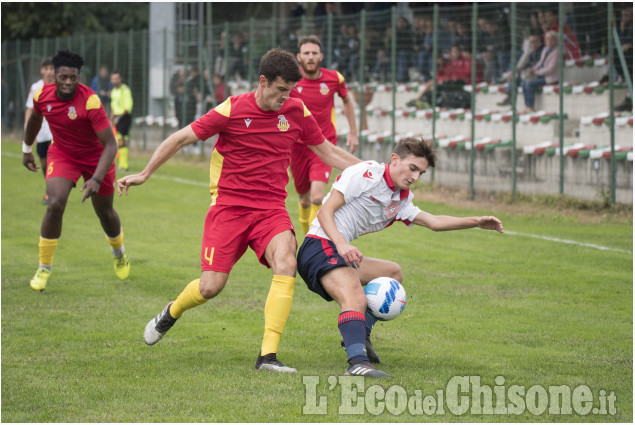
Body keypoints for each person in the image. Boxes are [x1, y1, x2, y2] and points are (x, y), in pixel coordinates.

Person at [117, 48, 361, 373]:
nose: (286, 97)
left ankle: (267, 356)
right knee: (210, 288)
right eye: (280, 90)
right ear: (263, 81)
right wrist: (145, 173)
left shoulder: (296, 111)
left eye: (290, 90)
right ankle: (171, 311)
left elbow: (327, 151)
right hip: (229, 209)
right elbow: (180, 138)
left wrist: (376, 172)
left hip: (271, 210)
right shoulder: (231, 108)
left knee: (287, 260)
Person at [297, 137, 504, 377]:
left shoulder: (401, 199)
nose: (415, 177)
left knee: (393, 273)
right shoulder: (366, 173)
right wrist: (342, 245)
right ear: (395, 160)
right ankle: (357, 363)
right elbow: (325, 212)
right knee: (355, 297)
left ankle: (359, 334)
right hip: (319, 246)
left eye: (421, 173)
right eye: (413, 168)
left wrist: (476, 222)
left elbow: (434, 222)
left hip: (336, 250)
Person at [22, 49, 130, 292]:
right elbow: (35, 121)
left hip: (96, 158)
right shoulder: (42, 95)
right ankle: (44, 267)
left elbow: (111, 145)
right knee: (55, 203)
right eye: (63, 77)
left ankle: (119, 253)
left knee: (105, 213)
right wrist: (26, 148)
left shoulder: (90, 101)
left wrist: (96, 178)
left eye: (73, 77)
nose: (69, 82)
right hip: (63, 154)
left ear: (79, 76)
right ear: (55, 76)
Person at [290, 35, 359, 235]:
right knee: (304, 199)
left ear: (321, 56)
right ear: (299, 57)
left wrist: (353, 132)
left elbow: (347, 101)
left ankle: (314, 240)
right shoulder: (292, 81)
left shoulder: (334, 78)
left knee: (317, 197)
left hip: (324, 145)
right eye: (306, 53)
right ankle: (307, 236)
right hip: (298, 147)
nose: (310, 57)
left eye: (314, 53)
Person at [25, 56, 55, 204]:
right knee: (44, 164)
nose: (49, 72)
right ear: (42, 70)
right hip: (41, 132)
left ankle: (52, 192)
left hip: (55, 132)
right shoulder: (36, 87)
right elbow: (30, 109)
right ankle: (49, 189)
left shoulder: (60, 86)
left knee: (52, 162)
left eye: (52, 68)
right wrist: (27, 130)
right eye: (47, 68)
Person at [497, 32, 543, 107]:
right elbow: (520, 64)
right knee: (515, 78)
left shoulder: (542, 51)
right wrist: (513, 71)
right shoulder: (529, 52)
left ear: (540, 42)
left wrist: (533, 70)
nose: (533, 44)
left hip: (538, 75)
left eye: (535, 41)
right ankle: (511, 103)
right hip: (528, 74)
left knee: (525, 82)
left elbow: (541, 65)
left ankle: (528, 106)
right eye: (531, 42)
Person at [522, 31, 559, 112]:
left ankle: (530, 106)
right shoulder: (546, 49)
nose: (549, 42)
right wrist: (533, 69)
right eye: (547, 40)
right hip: (542, 75)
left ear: (555, 40)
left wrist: (536, 72)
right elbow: (540, 62)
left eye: (551, 40)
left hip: (551, 78)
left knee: (529, 84)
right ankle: (527, 106)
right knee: (524, 82)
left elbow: (550, 69)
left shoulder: (557, 51)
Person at [110, 70, 133, 171]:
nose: (114, 80)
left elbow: (128, 107)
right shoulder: (113, 91)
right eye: (113, 79)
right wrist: (111, 119)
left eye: (116, 78)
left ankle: (124, 165)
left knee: (121, 139)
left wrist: (118, 118)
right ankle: (122, 165)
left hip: (124, 117)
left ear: (120, 79)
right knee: (120, 140)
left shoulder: (125, 90)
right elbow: (113, 106)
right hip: (116, 118)